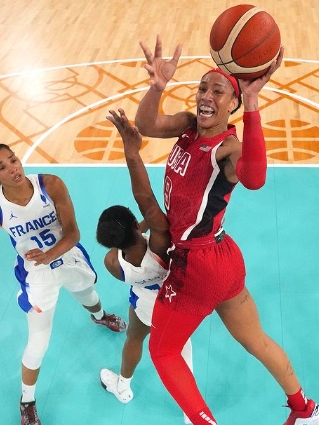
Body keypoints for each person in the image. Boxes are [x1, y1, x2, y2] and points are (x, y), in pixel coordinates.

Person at [134, 35, 319, 425]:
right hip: (222, 259)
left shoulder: (228, 147)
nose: (206, 95)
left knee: (163, 352)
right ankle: (304, 409)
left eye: (218, 91)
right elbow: (147, 124)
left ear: (233, 104)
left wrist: (255, 106)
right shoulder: (189, 127)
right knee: (255, 339)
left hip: (198, 266)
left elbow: (254, 179)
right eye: (202, 87)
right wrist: (158, 87)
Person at [0, 144, 127, 425]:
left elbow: (73, 233)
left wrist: (49, 255)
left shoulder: (51, 185)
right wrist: (41, 260)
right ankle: (27, 401)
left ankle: (99, 317)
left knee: (90, 296)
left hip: (66, 256)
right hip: (36, 275)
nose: (13, 169)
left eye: (13, 160)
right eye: (2, 168)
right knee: (38, 342)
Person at [96, 109, 192, 424]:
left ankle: (123, 386)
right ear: (137, 228)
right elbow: (146, 200)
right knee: (181, 356)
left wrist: (134, 231)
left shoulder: (112, 262)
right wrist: (132, 151)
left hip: (145, 302)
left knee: (135, 338)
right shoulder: (160, 242)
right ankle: (190, 411)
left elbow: (128, 238)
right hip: (176, 299)